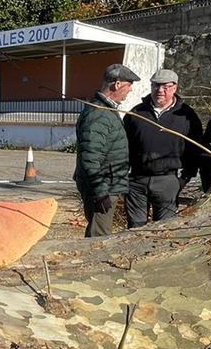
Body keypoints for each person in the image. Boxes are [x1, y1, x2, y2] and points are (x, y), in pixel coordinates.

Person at [123, 69, 204, 227]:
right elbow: (124, 147)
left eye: (165, 87)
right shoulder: (136, 113)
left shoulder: (186, 116)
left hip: (167, 181)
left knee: (164, 228)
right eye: (155, 86)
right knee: (135, 227)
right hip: (137, 181)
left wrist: (184, 179)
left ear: (175, 88)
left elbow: (194, 151)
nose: (160, 91)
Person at [74, 63, 139, 237]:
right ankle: (92, 263)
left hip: (107, 183)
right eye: (129, 85)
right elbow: (90, 158)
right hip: (103, 186)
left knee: (99, 230)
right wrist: (100, 193)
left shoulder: (106, 109)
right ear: (117, 84)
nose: (130, 90)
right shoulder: (99, 113)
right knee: (99, 234)